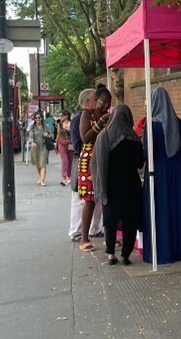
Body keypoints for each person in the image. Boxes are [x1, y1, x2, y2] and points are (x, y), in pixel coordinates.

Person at [142, 86, 181, 264]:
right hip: (177, 171)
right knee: (177, 209)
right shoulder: (178, 123)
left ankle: (163, 252)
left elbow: (146, 154)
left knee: (160, 212)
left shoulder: (150, 125)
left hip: (158, 172)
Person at [92, 104, 144, 266]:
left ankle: (110, 254)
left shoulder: (104, 136)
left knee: (110, 219)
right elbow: (139, 164)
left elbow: (97, 163)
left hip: (111, 184)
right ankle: (126, 254)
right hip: (130, 184)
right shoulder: (134, 139)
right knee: (130, 219)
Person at [77, 86, 112, 252]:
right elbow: (85, 137)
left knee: (107, 198)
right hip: (90, 159)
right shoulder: (87, 114)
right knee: (90, 200)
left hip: (105, 157)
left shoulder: (109, 116)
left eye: (108, 103)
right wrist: (101, 122)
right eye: (103, 102)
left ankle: (109, 236)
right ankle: (84, 238)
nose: (106, 106)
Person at [68, 91, 103, 242]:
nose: (98, 102)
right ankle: (76, 231)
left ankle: (94, 229)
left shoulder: (94, 116)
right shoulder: (79, 118)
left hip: (93, 160)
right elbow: (78, 142)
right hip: (83, 162)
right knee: (80, 199)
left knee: (94, 198)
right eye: (96, 99)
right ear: (88, 102)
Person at [29, 112, 51, 186]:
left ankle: (42, 180)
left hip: (44, 147)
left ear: (42, 118)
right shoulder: (32, 128)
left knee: (43, 163)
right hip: (35, 148)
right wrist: (32, 142)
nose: (38, 119)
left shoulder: (46, 127)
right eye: (36, 118)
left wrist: (47, 135)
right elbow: (30, 137)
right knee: (38, 164)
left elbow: (52, 135)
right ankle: (41, 177)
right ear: (34, 119)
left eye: (39, 117)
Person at [57, 110, 72, 186]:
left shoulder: (71, 124)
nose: (61, 117)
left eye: (62, 115)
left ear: (66, 116)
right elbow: (58, 135)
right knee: (64, 160)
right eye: (60, 116)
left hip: (70, 144)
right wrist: (56, 145)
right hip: (61, 144)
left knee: (70, 161)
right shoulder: (60, 125)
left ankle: (69, 176)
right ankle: (63, 177)